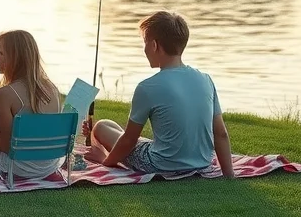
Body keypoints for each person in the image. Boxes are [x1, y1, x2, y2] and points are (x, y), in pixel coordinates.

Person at [84, 11, 235, 178]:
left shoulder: (147, 87)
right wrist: (229, 176)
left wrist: (105, 161)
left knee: (102, 126)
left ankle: (99, 147)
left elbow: (129, 141)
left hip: (161, 165)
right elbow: (221, 133)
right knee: (129, 136)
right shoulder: (205, 80)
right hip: (203, 162)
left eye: (145, 43)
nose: (145, 49)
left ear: (154, 45)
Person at [0, 30, 66, 180]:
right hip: (49, 165)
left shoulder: (6, 93)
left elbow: (6, 147)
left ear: (15, 58)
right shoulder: (52, 89)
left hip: (21, 168)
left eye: (0, 53)